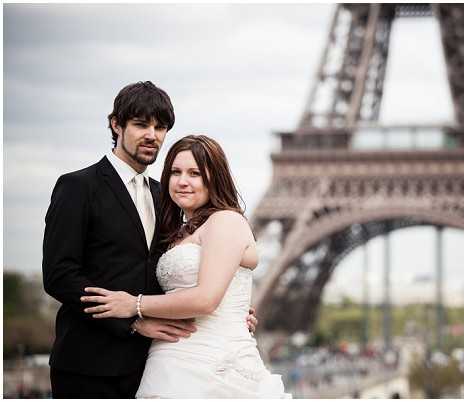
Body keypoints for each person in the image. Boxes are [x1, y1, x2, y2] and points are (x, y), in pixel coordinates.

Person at [42, 82, 257, 398]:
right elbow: (60, 276)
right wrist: (131, 321)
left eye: (160, 127)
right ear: (116, 124)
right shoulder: (78, 187)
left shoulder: (166, 196)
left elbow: (176, 271)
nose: (152, 135)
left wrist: (227, 309)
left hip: (153, 362)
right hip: (89, 362)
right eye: (141, 124)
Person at [81, 135, 291, 398]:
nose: (182, 181)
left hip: (212, 363)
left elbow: (206, 299)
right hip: (167, 361)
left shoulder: (225, 220)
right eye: (175, 172)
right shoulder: (176, 233)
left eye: (195, 173)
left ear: (214, 178)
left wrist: (134, 304)